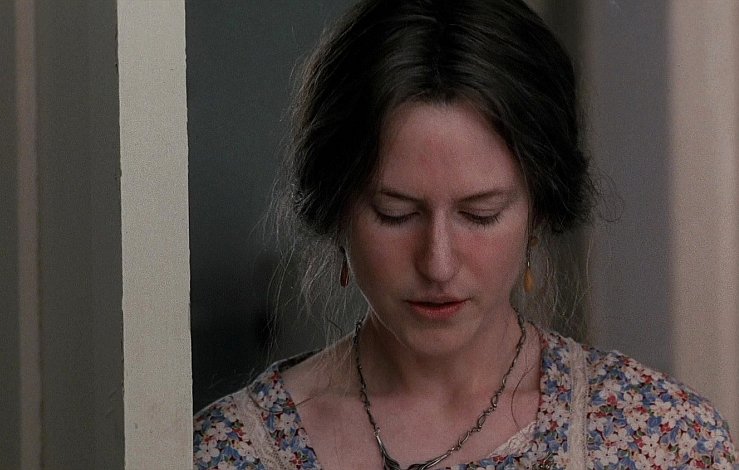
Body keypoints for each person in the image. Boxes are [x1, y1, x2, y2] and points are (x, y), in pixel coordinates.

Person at [193, 0, 738, 468]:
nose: (438, 262)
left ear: (539, 213)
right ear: (337, 210)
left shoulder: (662, 440)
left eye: (480, 214)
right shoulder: (231, 452)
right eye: (394, 213)